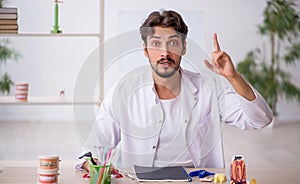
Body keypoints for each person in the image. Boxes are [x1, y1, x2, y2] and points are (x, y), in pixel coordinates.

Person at [79, 10, 273, 171]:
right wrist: (94, 166)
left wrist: (234, 77)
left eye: (173, 43)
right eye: (156, 44)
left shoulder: (208, 89)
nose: (165, 53)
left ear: (183, 48)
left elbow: (260, 120)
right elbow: (92, 149)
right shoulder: (124, 91)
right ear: (145, 50)